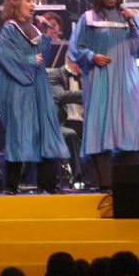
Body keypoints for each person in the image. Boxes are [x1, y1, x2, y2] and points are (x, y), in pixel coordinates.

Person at [69, 0, 139, 190]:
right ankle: (103, 180)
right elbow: (75, 48)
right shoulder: (88, 18)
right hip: (100, 77)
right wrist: (92, 56)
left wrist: (132, 23)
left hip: (126, 77)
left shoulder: (129, 17)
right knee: (101, 121)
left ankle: (129, 180)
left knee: (128, 122)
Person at [0, 0, 69, 194]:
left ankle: (48, 183)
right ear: (16, 4)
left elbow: (42, 55)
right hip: (20, 89)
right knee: (20, 131)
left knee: (43, 131)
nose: (32, 5)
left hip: (37, 86)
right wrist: (28, 59)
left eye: (33, 1)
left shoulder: (33, 29)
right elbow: (5, 56)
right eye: (28, 0)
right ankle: (11, 185)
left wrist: (44, 32)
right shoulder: (10, 29)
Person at [46, 58, 85, 188]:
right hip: (63, 122)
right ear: (69, 60)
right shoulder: (53, 73)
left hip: (82, 121)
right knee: (71, 134)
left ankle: (102, 179)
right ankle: (77, 177)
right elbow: (60, 96)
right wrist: (89, 93)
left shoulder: (87, 76)